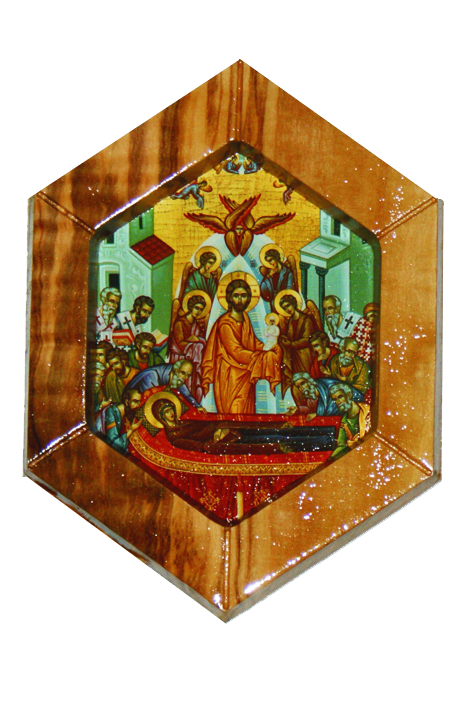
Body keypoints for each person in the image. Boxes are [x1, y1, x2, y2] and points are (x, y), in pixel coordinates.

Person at [201, 278, 281, 414]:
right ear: (229, 298)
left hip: (246, 374)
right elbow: (235, 351)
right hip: (230, 376)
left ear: (248, 299)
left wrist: (268, 347)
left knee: (246, 414)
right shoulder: (225, 324)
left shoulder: (245, 318)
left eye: (243, 296)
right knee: (234, 411)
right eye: (236, 296)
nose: (239, 300)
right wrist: (262, 357)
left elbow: (252, 342)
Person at [153, 398, 335, 455]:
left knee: (279, 430)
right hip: (228, 441)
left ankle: (328, 432)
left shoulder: (185, 421)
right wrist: (216, 436)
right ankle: (325, 442)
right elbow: (200, 446)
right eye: (167, 412)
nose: (171, 413)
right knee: (277, 440)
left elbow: (207, 424)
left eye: (171, 409)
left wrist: (219, 426)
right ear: (161, 417)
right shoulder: (174, 437)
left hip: (232, 428)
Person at [124, 359, 206, 413]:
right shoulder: (152, 375)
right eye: (183, 373)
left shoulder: (178, 377)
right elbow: (152, 398)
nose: (185, 378)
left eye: (188, 375)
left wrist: (198, 406)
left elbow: (186, 394)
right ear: (177, 370)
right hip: (137, 396)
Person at [168, 294, 207, 402]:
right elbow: (179, 344)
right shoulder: (179, 323)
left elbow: (203, 341)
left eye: (201, 309)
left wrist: (197, 340)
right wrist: (193, 343)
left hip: (192, 361)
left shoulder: (196, 325)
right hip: (180, 359)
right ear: (190, 307)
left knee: (191, 389)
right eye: (196, 308)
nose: (198, 311)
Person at [279, 293, 315, 397]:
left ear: (293, 304)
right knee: (297, 382)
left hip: (305, 355)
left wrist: (290, 344)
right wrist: (284, 339)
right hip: (295, 356)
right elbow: (291, 337)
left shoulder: (306, 319)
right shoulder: (291, 321)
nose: (288, 309)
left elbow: (307, 339)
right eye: (284, 308)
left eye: (288, 305)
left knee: (306, 379)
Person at [287, 372, 363, 420]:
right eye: (298, 386)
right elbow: (311, 409)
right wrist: (298, 409)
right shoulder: (311, 396)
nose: (302, 388)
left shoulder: (327, 387)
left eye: (303, 383)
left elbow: (334, 406)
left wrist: (317, 414)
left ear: (309, 381)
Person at [328, 382, 371, 460]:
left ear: (348, 395)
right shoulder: (344, 421)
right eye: (335, 399)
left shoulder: (367, 411)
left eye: (340, 397)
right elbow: (341, 446)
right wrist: (330, 460)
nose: (338, 402)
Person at [102, 388, 142, 454]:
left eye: (139, 402)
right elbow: (115, 444)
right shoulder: (112, 413)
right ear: (127, 402)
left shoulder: (129, 412)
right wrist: (131, 430)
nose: (138, 405)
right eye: (135, 401)